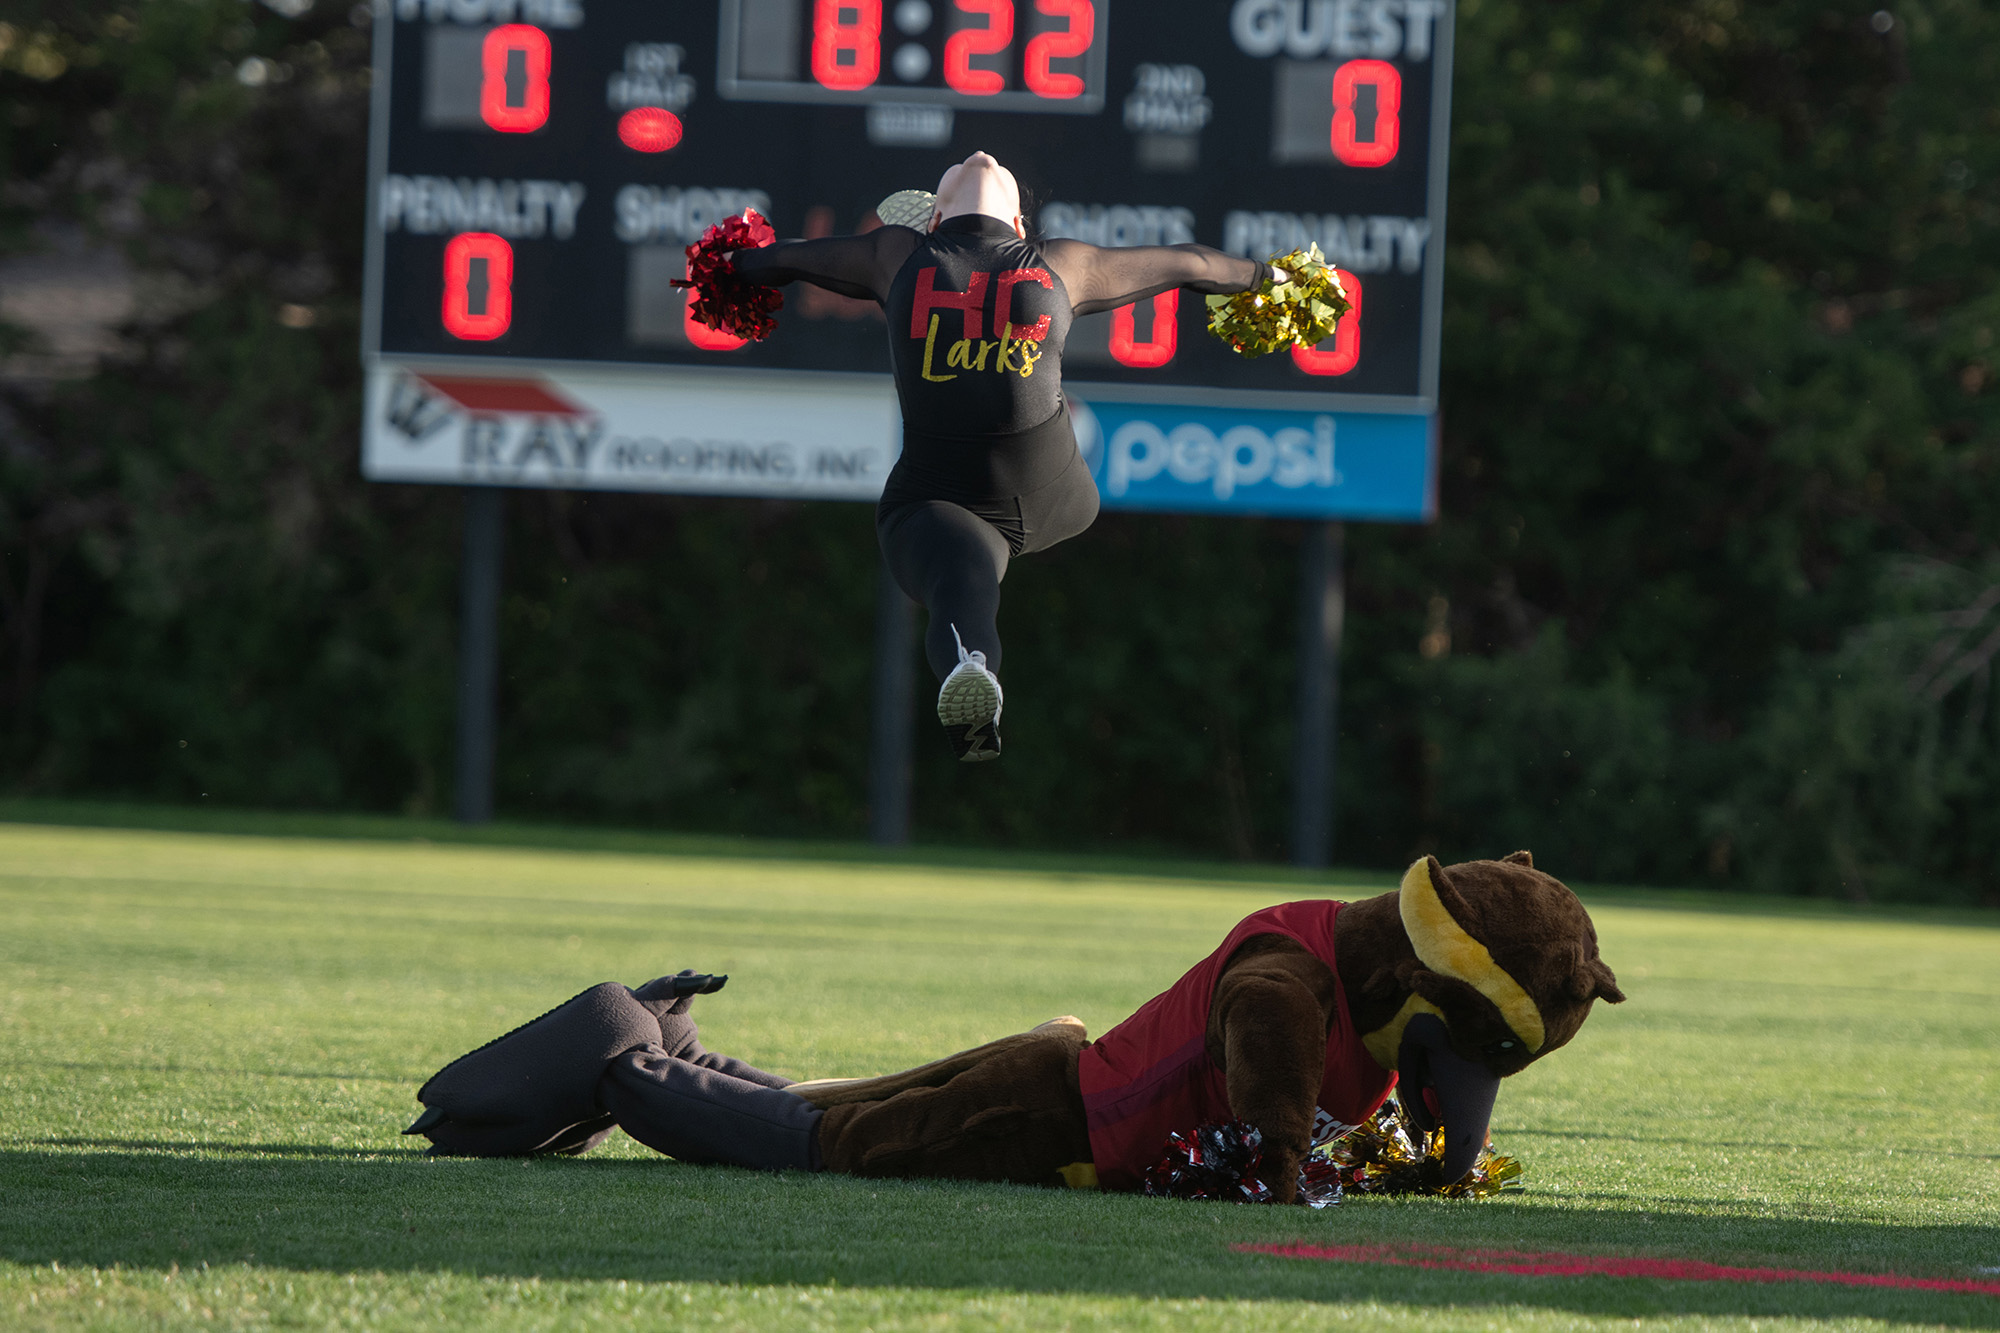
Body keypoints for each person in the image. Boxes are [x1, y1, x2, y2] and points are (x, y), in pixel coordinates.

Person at [728, 151, 1283, 762]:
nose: (980, 156)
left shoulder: (896, 256)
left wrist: (727, 263)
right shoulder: (1060, 263)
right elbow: (1192, 262)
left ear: (934, 220)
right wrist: (1275, 278)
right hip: (1052, 492)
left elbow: (781, 258)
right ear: (1020, 226)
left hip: (941, 492)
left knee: (955, 579)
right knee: (963, 588)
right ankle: (971, 678)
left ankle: (970, 661)